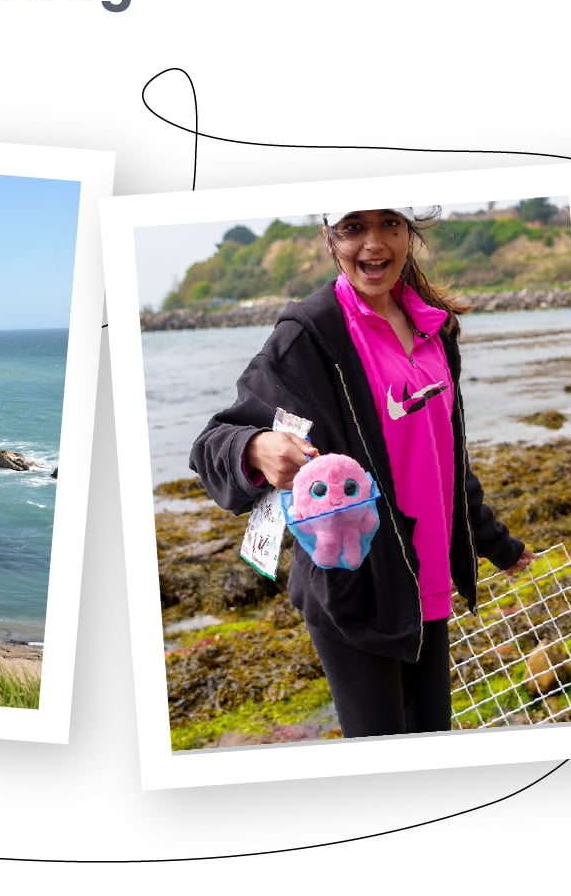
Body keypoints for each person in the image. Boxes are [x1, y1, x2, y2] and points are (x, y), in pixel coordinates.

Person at [189, 206, 535, 738]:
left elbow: (446, 459)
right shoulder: (311, 334)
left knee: (432, 745)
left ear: (409, 233)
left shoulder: (434, 328)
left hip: (427, 580)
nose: (373, 244)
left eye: (389, 224)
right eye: (353, 228)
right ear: (330, 238)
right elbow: (212, 442)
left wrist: (495, 542)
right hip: (353, 589)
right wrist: (256, 447)